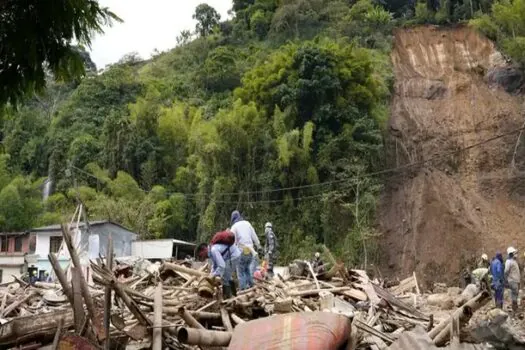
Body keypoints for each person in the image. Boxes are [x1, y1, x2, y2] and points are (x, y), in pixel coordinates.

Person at [197, 233, 241, 299]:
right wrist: (211, 274)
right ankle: (233, 296)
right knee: (227, 276)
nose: (202, 257)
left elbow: (221, 265)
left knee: (225, 277)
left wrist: (213, 275)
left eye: (201, 255)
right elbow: (215, 265)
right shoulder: (212, 252)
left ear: (204, 249)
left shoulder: (213, 250)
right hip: (232, 256)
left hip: (234, 256)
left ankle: (228, 298)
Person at [230, 210, 260, 290]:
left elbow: (232, 241)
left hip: (241, 250)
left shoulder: (234, 227)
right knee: (246, 269)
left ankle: (243, 289)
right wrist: (258, 246)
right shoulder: (247, 223)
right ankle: (251, 286)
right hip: (250, 251)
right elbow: (255, 237)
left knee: (240, 271)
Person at [505, 246, 521, 313]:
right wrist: (507, 279)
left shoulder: (513, 261)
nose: (516, 254)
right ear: (511, 254)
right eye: (514, 253)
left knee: (516, 294)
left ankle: (515, 307)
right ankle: (515, 309)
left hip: (516, 280)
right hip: (512, 281)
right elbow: (506, 271)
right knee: (514, 294)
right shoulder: (508, 261)